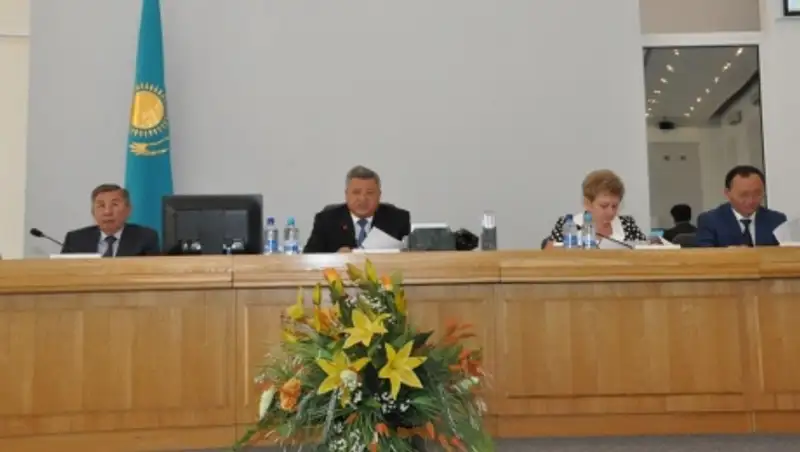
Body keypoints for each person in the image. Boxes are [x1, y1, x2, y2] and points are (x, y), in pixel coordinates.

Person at [304, 166, 411, 253]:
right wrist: (335, 258)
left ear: (379, 195)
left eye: (369, 193)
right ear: (346, 194)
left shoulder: (398, 219)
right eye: (356, 192)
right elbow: (308, 258)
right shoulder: (326, 220)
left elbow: (413, 255)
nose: (363, 199)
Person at [544, 169, 647, 247]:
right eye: (604, 206)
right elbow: (550, 257)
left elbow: (646, 252)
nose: (610, 212)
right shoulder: (567, 224)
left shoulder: (627, 225)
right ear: (587, 203)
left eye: (615, 206)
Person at [695, 165, 786, 247]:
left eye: (757, 193)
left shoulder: (776, 220)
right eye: (744, 195)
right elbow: (704, 256)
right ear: (727, 193)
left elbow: (786, 254)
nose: (751, 200)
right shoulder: (710, 221)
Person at [61, 183, 161, 257]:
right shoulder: (75, 240)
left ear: (128, 210)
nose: (107, 212)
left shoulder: (145, 238)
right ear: (93, 212)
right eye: (101, 205)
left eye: (115, 204)